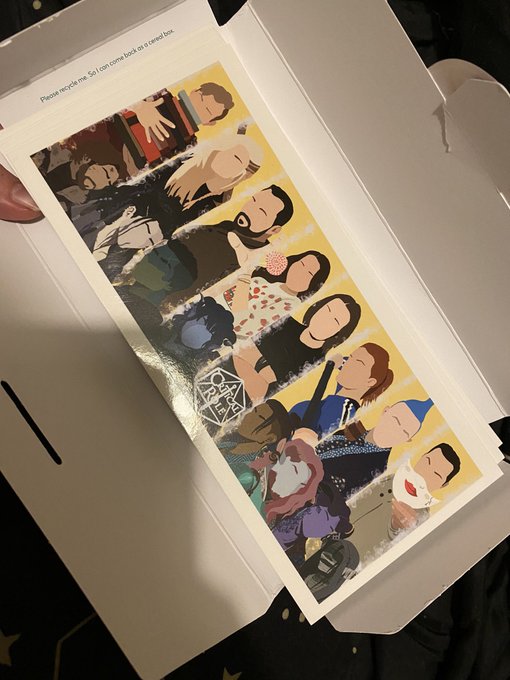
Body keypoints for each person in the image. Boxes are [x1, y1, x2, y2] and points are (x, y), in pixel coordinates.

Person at [114, 184, 294, 311]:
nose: (250, 210)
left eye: (261, 212)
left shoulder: (253, 262)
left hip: (162, 294)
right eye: (253, 201)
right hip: (145, 270)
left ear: (273, 230)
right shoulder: (226, 226)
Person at [229, 293, 362, 402]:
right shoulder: (285, 322)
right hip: (226, 371)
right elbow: (240, 349)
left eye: (335, 321)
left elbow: (263, 395)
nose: (325, 319)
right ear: (318, 307)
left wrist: (254, 361)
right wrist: (264, 371)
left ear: (339, 334)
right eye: (327, 310)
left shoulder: (315, 366)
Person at [344, 443, 461, 565]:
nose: (424, 473)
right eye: (427, 462)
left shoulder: (420, 519)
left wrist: (397, 528)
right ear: (421, 456)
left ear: (443, 485)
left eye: (436, 475)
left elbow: (393, 552)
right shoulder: (392, 478)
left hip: (345, 563)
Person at [315, 397, 434, 498]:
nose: (394, 431)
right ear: (386, 411)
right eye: (395, 420)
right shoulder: (352, 428)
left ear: (407, 440)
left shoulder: (378, 470)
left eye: (404, 432)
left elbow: (338, 495)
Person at [215, 249, 331, 340]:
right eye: (301, 264)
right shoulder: (263, 281)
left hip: (217, 330)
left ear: (313, 284)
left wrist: (246, 274)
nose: (300, 271)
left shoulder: (290, 304)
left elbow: (239, 322)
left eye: (309, 273)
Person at [290, 343, 394, 437]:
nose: (348, 363)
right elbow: (342, 360)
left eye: (358, 363)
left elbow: (310, 439)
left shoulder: (343, 411)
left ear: (370, 382)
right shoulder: (345, 388)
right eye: (351, 357)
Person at [231, 436, 324, 524]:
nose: (295, 485)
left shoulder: (271, 512)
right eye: (294, 471)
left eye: (302, 484)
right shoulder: (247, 477)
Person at [129, 82, 235, 143]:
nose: (199, 107)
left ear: (209, 123)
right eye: (201, 98)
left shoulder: (189, 144)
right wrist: (139, 106)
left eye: (208, 111)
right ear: (193, 91)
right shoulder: (159, 93)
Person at [218, 399, 296, 465]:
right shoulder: (228, 441)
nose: (248, 416)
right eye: (253, 411)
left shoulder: (248, 467)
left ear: (270, 438)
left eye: (259, 417)